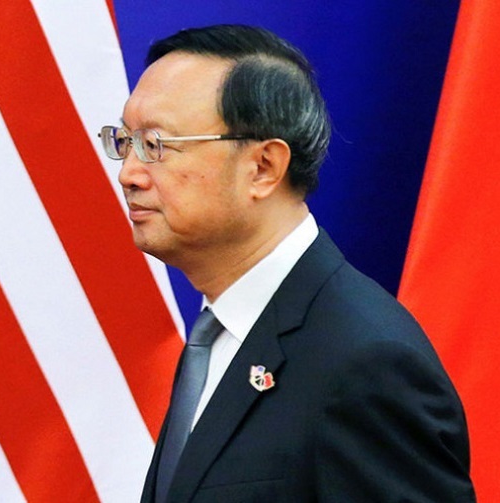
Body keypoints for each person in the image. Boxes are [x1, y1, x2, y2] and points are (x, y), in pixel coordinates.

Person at [100, 24, 475, 502]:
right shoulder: (221, 332)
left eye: (155, 145)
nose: (129, 173)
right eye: (125, 141)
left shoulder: (366, 363)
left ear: (263, 168)